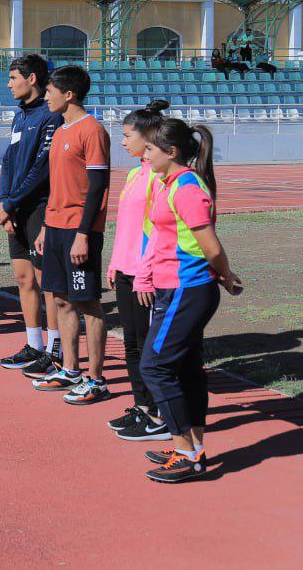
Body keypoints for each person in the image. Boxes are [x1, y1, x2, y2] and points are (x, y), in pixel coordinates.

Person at [135, 118, 242, 483]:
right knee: (185, 368)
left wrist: (225, 276)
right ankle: (193, 445)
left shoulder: (186, 189)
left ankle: (186, 453)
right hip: (175, 287)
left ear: (172, 152)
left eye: (150, 149)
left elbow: (210, 246)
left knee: (154, 366)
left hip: (187, 289)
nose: (144, 155)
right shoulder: (169, 183)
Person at [32, 66, 112, 404]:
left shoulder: (92, 130)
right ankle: (70, 369)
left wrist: (83, 233)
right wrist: (47, 226)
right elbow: (57, 185)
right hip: (56, 228)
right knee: (61, 299)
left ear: (69, 94)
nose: (46, 96)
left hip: (81, 230)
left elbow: (97, 187)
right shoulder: (61, 130)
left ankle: (96, 379)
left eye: (50, 91)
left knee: (87, 302)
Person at [106, 99, 171, 442]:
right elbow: (127, 227)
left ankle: (159, 414)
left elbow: (156, 233)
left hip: (146, 276)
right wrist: (116, 262)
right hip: (126, 271)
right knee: (131, 344)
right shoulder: (134, 174)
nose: (122, 141)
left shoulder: (159, 179)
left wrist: (146, 274)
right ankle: (142, 407)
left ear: (148, 138)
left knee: (147, 347)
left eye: (127, 134)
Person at [0, 54, 65, 374]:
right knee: (24, 279)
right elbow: (9, 162)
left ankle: (55, 349)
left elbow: (42, 168)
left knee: (45, 281)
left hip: (38, 207)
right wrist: (3, 201)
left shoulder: (50, 115)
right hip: (15, 208)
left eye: (13, 78)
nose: (9, 85)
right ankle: (34, 344)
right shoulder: (19, 116)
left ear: (32, 79)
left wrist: (12, 202)